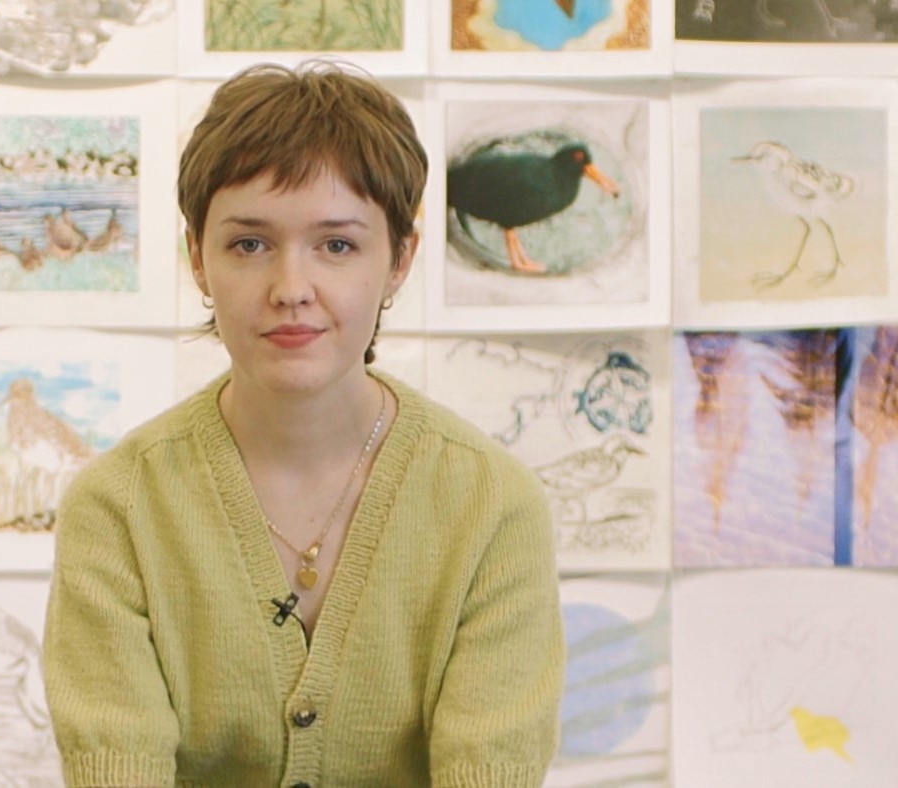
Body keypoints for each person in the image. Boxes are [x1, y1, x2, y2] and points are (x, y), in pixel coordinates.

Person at [43, 60, 565, 787]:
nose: (291, 288)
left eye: (337, 245)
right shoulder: (117, 508)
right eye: (249, 244)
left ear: (399, 259)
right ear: (198, 258)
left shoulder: (492, 506)